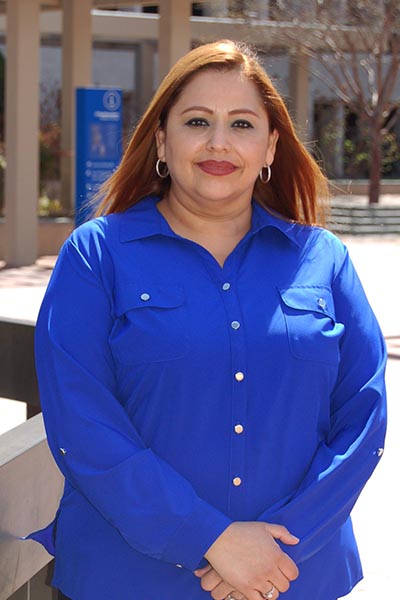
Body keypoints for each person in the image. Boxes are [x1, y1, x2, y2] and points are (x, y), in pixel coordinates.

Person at [32, 40, 386, 600]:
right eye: (197, 121)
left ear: (270, 146)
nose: (219, 142)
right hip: (127, 579)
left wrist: (276, 552)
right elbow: (83, 423)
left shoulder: (323, 259)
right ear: (161, 142)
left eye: (242, 123)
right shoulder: (96, 256)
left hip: (295, 579)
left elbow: (363, 421)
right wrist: (209, 538)